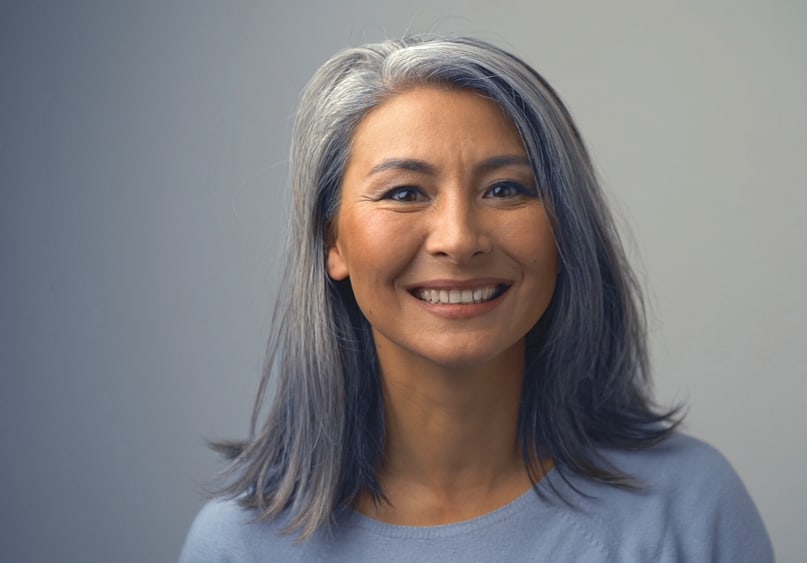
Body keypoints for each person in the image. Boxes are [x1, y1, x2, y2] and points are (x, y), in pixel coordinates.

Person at [180, 34, 773, 562]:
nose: (459, 239)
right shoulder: (237, 546)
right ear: (332, 239)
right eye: (406, 192)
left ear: (563, 226)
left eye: (504, 189)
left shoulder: (690, 509)